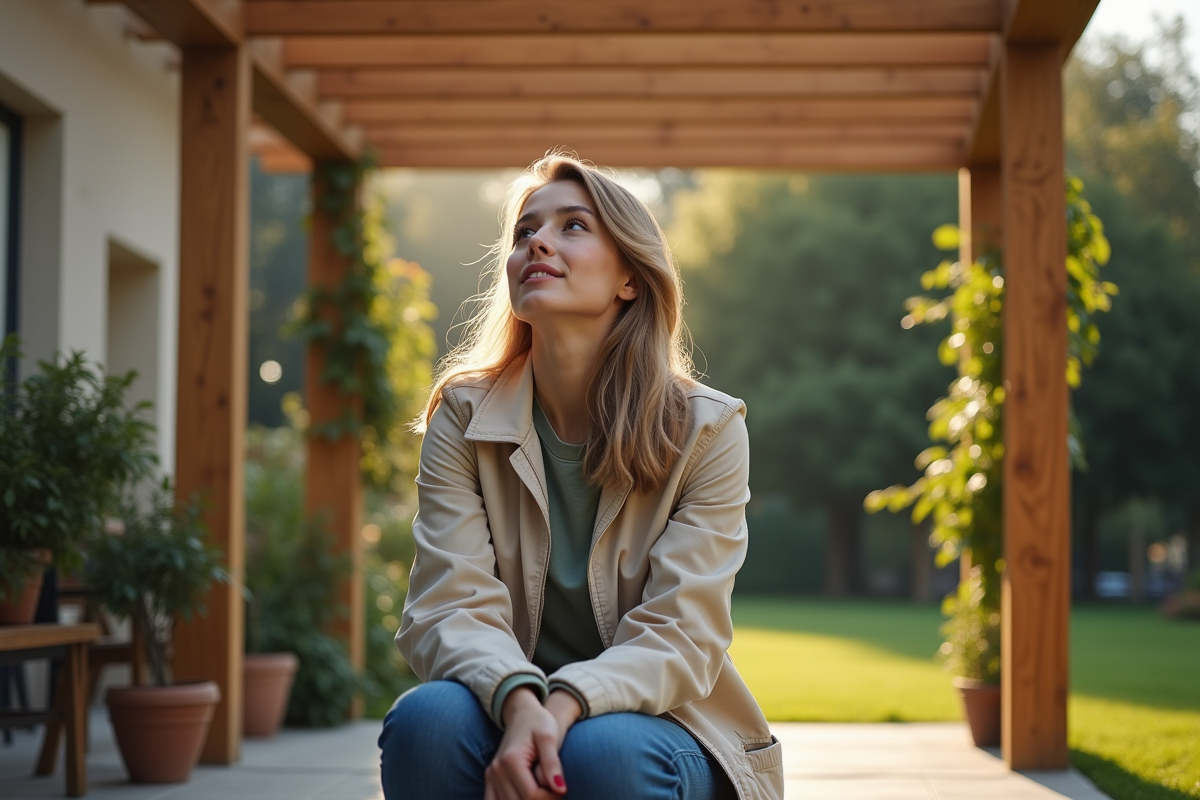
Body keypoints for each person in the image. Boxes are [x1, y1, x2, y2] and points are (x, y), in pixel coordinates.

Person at [378, 153, 783, 800]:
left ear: (629, 277)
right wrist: (518, 703)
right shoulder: (462, 415)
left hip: (662, 725)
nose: (537, 240)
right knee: (426, 722)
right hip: (507, 706)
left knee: (603, 750)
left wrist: (563, 705)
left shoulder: (708, 430)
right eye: (524, 232)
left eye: (573, 226)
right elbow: (448, 605)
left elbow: (683, 632)